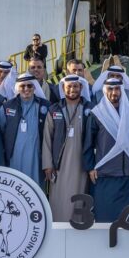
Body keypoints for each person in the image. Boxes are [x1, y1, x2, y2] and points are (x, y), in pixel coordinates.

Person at [85, 73, 129, 222]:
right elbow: (88, 143)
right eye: (110, 89)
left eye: (117, 89)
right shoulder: (97, 114)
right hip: (105, 173)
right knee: (105, 216)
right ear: (105, 91)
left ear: (122, 91)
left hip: (128, 174)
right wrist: (90, 167)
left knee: (127, 218)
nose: (114, 93)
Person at [42, 74, 90, 224]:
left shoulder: (90, 108)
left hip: (81, 164)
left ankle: (78, 228)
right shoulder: (54, 109)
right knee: (59, 199)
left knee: (80, 197)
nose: (72, 89)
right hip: (59, 165)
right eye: (69, 86)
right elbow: (47, 139)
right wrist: (48, 164)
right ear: (63, 88)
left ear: (81, 88)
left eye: (76, 86)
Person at [0, 73, 49, 183]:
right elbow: (1, 131)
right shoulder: (7, 107)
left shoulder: (45, 106)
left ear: (34, 87)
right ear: (18, 88)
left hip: (36, 156)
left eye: (29, 86)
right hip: (14, 157)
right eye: (23, 86)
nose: (26, 89)